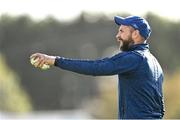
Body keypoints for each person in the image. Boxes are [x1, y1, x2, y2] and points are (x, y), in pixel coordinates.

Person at [30, 15, 165, 119]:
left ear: (135, 33)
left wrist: (55, 60)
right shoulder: (155, 63)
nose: (117, 36)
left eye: (122, 31)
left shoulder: (134, 58)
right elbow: (160, 109)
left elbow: (96, 67)